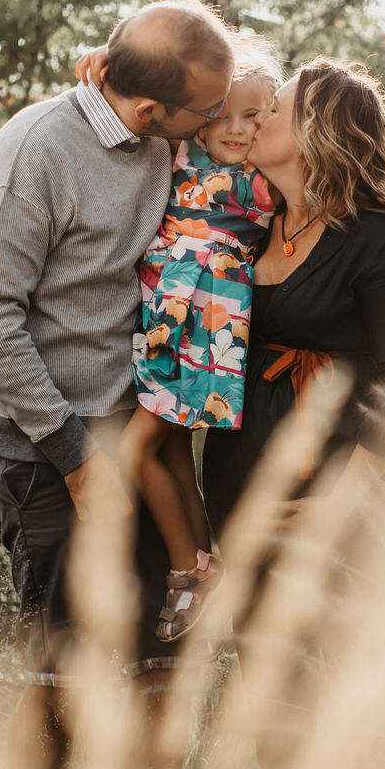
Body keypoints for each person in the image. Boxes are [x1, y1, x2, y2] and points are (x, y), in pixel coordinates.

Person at [0, 0, 235, 769]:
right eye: (205, 113)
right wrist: (73, 458)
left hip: (142, 451)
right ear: (150, 109)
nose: (216, 124)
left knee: (154, 671)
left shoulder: (161, 140)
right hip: (50, 457)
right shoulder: (34, 155)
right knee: (60, 682)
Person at [202, 54, 385, 544]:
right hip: (240, 495)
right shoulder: (249, 227)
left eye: (274, 110)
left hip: (333, 508)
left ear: (315, 131)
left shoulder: (375, 241)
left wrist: (342, 502)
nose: (257, 119)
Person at [117, 47, 281, 644]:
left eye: (255, 116)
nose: (239, 129)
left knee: (135, 451)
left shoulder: (265, 184)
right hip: (165, 318)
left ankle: (189, 570)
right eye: (225, 116)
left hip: (207, 327)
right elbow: (150, 99)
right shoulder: (178, 153)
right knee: (173, 450)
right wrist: (100, 61)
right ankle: (204, 561)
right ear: (203, 117)